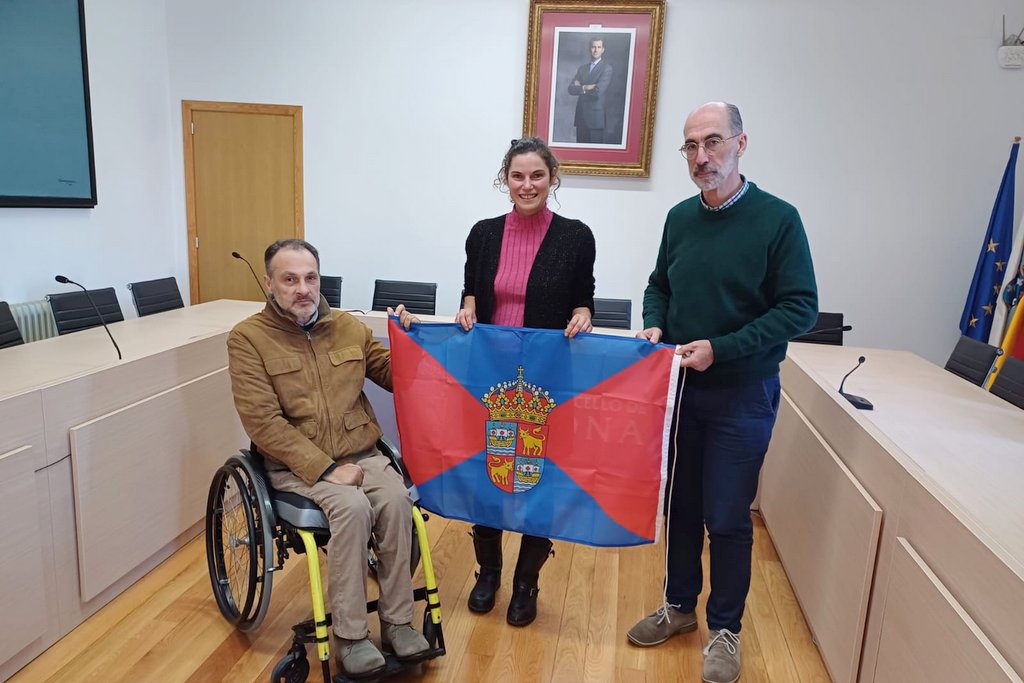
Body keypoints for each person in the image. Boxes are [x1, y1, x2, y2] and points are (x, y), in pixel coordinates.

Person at [627, 103, 817, 683]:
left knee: (728, 515)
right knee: (681, 505)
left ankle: (726, 628)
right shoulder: (679, 218)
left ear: (741, 143)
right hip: (680, 390)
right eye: (690, 145)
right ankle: (679, 606)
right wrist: (655, 323)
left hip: (742, 393)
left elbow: (800, 308)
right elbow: (659, 286)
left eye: (713, 142)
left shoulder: (778, 219)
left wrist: (722, 347)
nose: (701, 156)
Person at [226, 239, 429, 678]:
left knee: (397, 501)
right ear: (270, 283)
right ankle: (351, 637)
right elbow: (262, 423)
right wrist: (327, 469)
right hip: (296, 464)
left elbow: (398, 377)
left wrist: (412, 340)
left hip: (363, 452)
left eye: (310, 278)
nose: (303, 289)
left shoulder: (348, 327)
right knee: (352, 509)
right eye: (290, 279)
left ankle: (398, 622)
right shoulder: (248, 339)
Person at [456, 136, 596, 627]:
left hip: (547, 380)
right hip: (490, 377)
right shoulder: (483, 234)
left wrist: (584, 313)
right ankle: (488, 573)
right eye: (518, 175)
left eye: (537, 175)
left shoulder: (576, 236)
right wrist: (468, 306)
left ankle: (526, 582)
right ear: (505, 180)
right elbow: (471, 291)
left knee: (541, 478)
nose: (527, 184)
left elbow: (584, 298)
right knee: (489, 473)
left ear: (552, 178)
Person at [567, 37, 613, 143]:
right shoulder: (582, 68)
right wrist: (585, 87)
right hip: (581, 117)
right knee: (580, 151)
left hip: (595, 119)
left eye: (599, 47)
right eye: (593, 47)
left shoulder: (607, 68)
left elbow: (598, 92)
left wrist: (580, 87)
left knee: (594, 151)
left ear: (603, 49)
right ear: (589, 49)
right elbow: (571, 89)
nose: (596, 50)